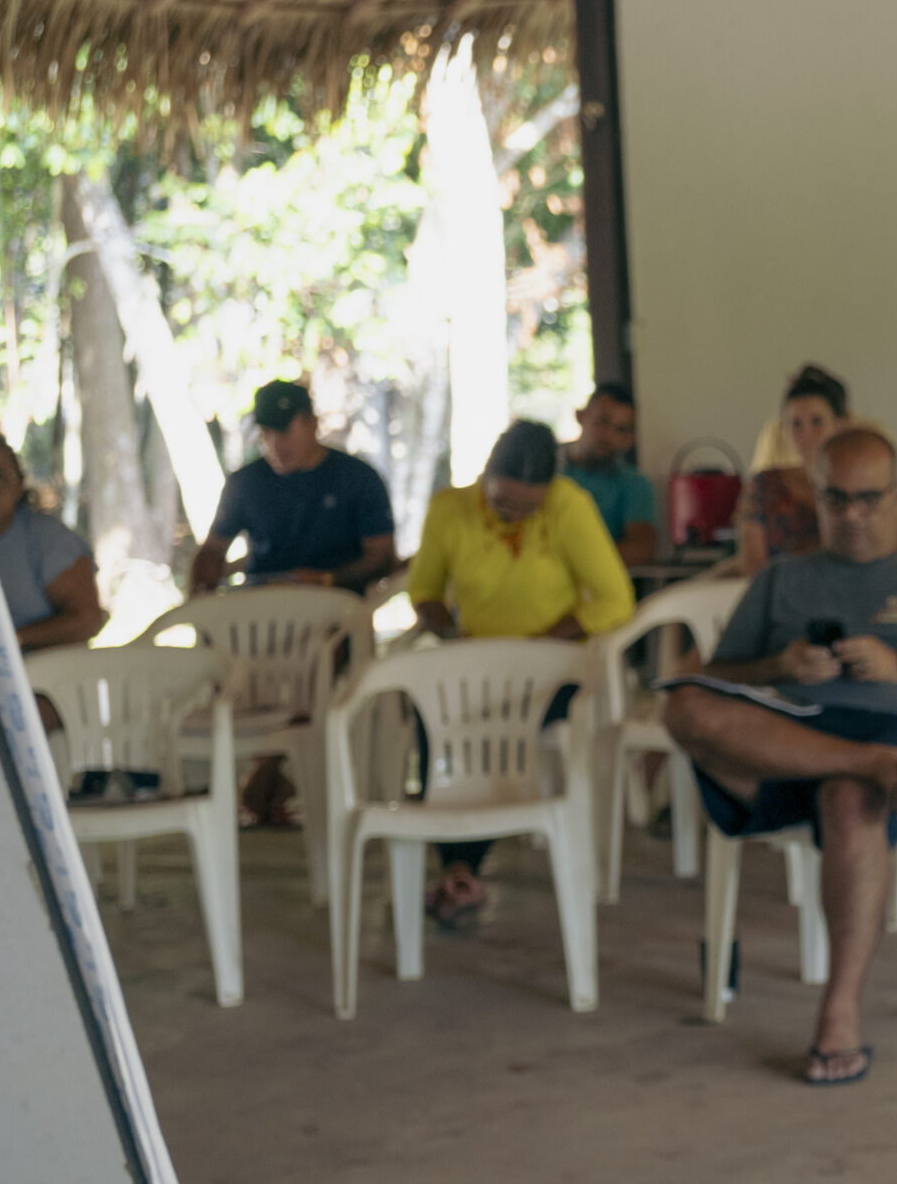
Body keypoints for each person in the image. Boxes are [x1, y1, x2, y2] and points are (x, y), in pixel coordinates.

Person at [665, 429, 897, 1086]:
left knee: (848, 798)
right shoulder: (784, 577)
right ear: (816, 497)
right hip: (793, 739)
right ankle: (862, 762)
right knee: (683, 707)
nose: (852, 514)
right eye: (836, 499)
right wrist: (781, 664)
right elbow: (718, 675)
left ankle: (840, 1009)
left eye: (868, 499)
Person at [408, 421, 637, 930]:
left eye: (527, 507)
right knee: (432, 713)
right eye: (501, 502)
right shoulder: (450, 510)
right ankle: (459, 866)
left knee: (491, 726)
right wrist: (451, 638)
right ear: (485, 475)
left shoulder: (569, 507)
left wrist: (538, 646)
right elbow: (423, 591)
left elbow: (615, 600)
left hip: (550, 670)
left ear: (547, 492)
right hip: (473, 666)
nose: (512, 514)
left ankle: (461, 868)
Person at [190, 381, 397, 596]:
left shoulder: (358, 478)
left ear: (312, 423)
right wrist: (201, 596)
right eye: (266, 433)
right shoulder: (244, 482)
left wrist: (327, 579)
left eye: (284, 431)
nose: (275, 444)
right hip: (261, 604)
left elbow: (382, 556)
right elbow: (212, 550)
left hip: (338, 604)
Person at [0, 432, 103, 652]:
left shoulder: (46, 538)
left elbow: (87, 620)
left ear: (19, 485)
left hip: (41, 670)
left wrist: (9, 640)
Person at [735, 366, 847, 575]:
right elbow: (753, 567)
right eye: (796, 424)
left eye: (817, 422)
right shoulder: (765, 485)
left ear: (841, 424)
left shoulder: (858, 485)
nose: (806, 434)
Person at [561, 382, 659, 567]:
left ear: (629, 439)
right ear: (580, 416)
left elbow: (642, 551)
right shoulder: (545, 473)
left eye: (621, 429)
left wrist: (569, 559)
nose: (608, 435)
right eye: (603, 421)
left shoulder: (634, 484)